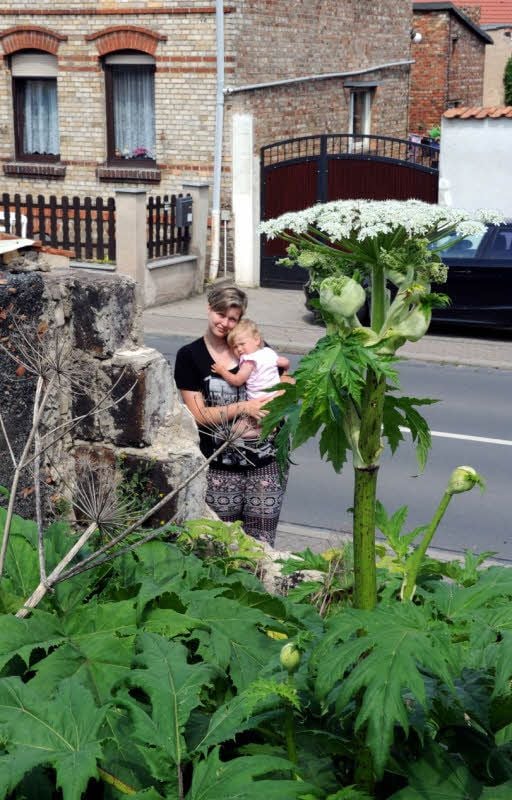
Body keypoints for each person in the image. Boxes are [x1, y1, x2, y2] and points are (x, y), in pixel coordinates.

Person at [173, 285, 289, 546]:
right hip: (219, 469)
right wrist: (245, 408)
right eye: (220, 314)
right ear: (209, 309)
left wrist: (279, 398)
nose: (225, 323)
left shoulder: (250, 348)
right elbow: (199, 415)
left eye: (232, 318)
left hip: (266, 464)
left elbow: (287, 379)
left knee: (262, 545)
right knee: (221, 545)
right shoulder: (190, 356)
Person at [211, 318, 290, 438]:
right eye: (235, 347)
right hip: (274, 397)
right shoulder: (269, 352)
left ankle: (264, 430)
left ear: (257, 340)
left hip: (259, 402)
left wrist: (222, 371)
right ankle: (269, 427)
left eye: (242, 344)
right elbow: (285, 362)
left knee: (237, 429)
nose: (239, 349)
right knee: (250, 424)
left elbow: (237, 380)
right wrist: (285, 366)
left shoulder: (249, 361)